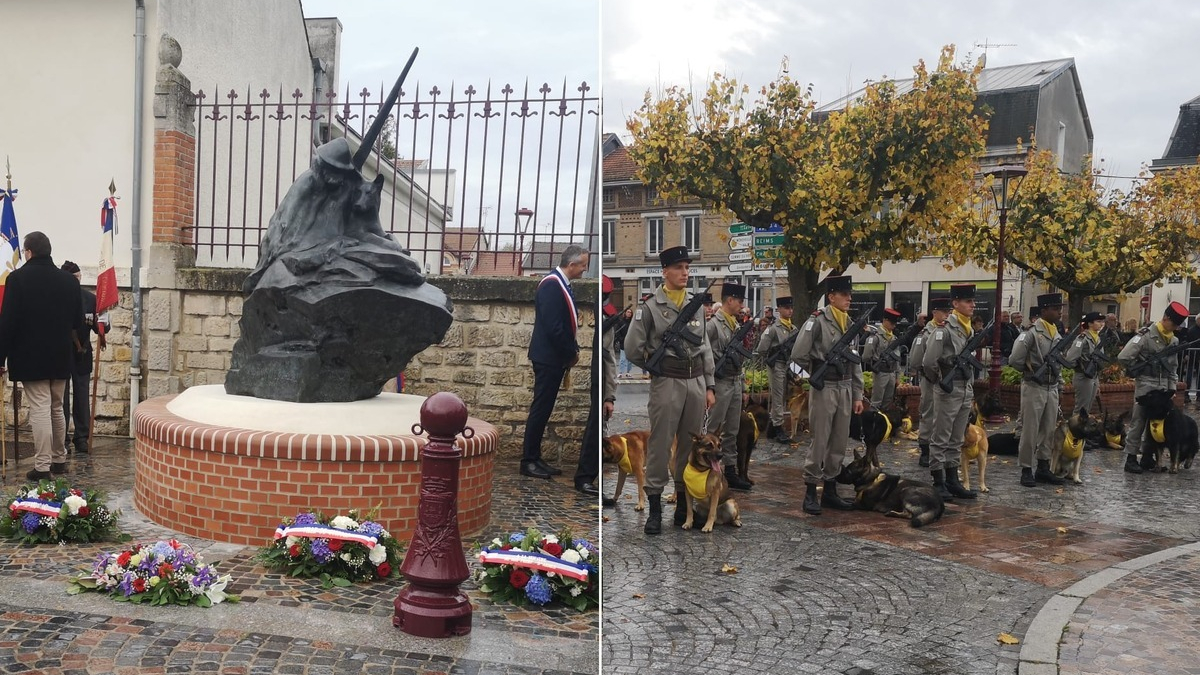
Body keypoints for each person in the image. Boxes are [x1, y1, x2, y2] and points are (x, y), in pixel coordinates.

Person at [623, 245, 715, 534]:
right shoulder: (649, 307)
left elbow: (705, 348)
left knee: (690, 446)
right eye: (679, 268)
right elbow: (632, 348)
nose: (685, 272)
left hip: (696, 382)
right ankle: (653, 507)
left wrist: (710, 385)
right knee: (661, 445)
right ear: (665, 271)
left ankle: (683, 508)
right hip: (668, 382)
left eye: (687, 267)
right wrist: (655, 367)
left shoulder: (696, 304)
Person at [0, 232, 84, 480]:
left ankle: (43, 465)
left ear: (28, 252)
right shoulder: (69, 281)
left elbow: (8, 323)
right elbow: (78, 321)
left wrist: (0, 357)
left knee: (39, 409)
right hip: (60, 355)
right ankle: (59, 459)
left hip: (30, 356)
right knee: (56, 407)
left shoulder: (18, 279)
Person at [790, 275, 863, 515]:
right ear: (831, 297)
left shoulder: (850, 323)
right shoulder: (818, 321)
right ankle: (811, 490)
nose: (848, 298)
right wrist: (813, 374)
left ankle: (830, 490)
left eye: (849, 295)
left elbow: (856, 363)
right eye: (844, 294)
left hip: (844, 388)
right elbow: (797, 356)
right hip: (824, 387)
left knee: (839, 441)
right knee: (820, 440)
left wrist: (858, 395)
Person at [520, 245, 589, 480]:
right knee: (540, 409)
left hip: (553, 357)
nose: (585, 270)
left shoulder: (560, 283)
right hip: (548, 357)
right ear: (571, 265)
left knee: (545, 408)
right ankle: (528, 460)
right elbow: (554, 327)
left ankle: (535, 457)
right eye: (583, 265)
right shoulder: (552, 285)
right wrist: (571, 351)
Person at [922, 283, 980, 500]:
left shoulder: (969, 329)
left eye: (973, 301)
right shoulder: (943, 330)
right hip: (948, 387)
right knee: (941, 435)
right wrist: (940, 380)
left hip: (965, 387)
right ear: (955, 304)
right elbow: (928, 361)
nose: (972, 305)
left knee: (957, 436)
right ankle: (938, 480)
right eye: (968, 301)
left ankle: (952, 479)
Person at [1118, 301, 1189, 474]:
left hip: (1164, 387)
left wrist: (1172, 389)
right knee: (1139, 421)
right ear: (1165, 318)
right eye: (1173, 324)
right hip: (1147, 384)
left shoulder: (1174, 340)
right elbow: (1124, 356)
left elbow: (1173, 368)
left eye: (1177, 326)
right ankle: (1131, 458)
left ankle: (1148, 457)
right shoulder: (1145, 335)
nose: (1175, 328)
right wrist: (1142, 365)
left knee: (1157, 424)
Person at [1009, 293, 1068, 488]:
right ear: (1043, 311)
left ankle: (1043, 467)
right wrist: (1031, 370)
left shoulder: (1057, 333)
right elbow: (1015, 360)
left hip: (1051, 387)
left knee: (1048, 429)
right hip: (1034, 386)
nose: (1059, 311)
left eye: (1059, 307)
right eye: (1055, 308)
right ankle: (1026, 468)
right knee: (1030, 430)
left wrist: (1059, 385)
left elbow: (1059, 364)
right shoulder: (1031, 333)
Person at [706, 282, 753, 491]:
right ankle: (708, 467)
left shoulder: (735, 324)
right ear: (730, 300)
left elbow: (740, 361)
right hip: (720, 381)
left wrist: (742, 388)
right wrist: (709, 386)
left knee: (732, 429)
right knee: (714, 428)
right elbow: (705, 356)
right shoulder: (713, 325)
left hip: (734, 381)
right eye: (740, 301)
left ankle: (731, 470)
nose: (742, 305)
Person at [59, 261, 108, 454]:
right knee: (60, 399)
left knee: (81, 396)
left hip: (82, 353)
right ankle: (61, 438)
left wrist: (104, 323)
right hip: (62, 353)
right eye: (73, 278)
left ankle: (81, 436)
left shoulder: (89, 299)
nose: (76, 281)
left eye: (78, 278)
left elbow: (98, 327)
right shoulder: (56, 299)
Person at [755, 297, 798, 443]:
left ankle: (772, 428)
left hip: (787, 365)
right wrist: (775, 353)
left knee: (784, 395)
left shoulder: (794, 329)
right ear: (779, 309)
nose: (790, 310)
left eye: (791, 308)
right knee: (778, 397)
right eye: (786, 308)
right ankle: (778, 427)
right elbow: (761, 349)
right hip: (776, 365)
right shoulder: (773, 329)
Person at [908, 300, 944, 467]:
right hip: (930, 380)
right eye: (943, 312)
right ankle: (925, 448)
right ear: (935, 312)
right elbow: (915, 361)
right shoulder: (924, 334)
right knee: (928, 413)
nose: (947, 315)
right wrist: (931, 375)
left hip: (946, 381)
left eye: (949, 312)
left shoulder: (949, 331)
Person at [862, 307, 903, 410]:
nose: (893, 326)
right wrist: (875, 363)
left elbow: (897, 358)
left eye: (895, 323)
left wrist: (897, 376)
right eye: (891, 323)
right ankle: (873, 423)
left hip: (891, 372)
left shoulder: (894, 338)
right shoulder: (875, 336)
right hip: (880, 372)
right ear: (885, 320)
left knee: (888, 402)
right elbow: (866, 356)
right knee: (876, 401)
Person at [1065, 311, 1106, 415]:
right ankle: (1074, 430)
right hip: (1083, 376)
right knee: (1081, 409)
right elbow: (1070, 358)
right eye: (1098, 321)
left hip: (1093, 376)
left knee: (1087, 408)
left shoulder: (1098, 338)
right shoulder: (1082, 338)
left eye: (1102, 321)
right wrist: (1081, 366)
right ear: (1090, 323)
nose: (1101, 324)